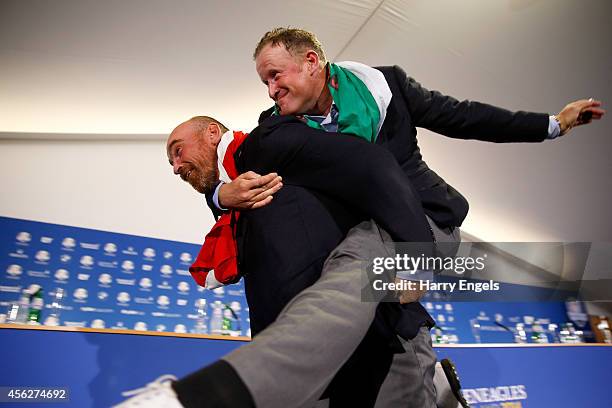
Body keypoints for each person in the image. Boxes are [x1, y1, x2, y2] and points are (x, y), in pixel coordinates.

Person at [208, 27, 605, 408]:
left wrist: (553, 124)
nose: (272, 89)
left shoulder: (388, 86)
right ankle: (436, 388)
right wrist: (221, 195)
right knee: (384, 317)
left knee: (359, 259)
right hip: (371, 244)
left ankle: (256, 376)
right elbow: (238, 171)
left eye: (275, 76)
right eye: (265, 83)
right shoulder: (276, 127)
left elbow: (464, 116)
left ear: (311, 61)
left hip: (427, 222)